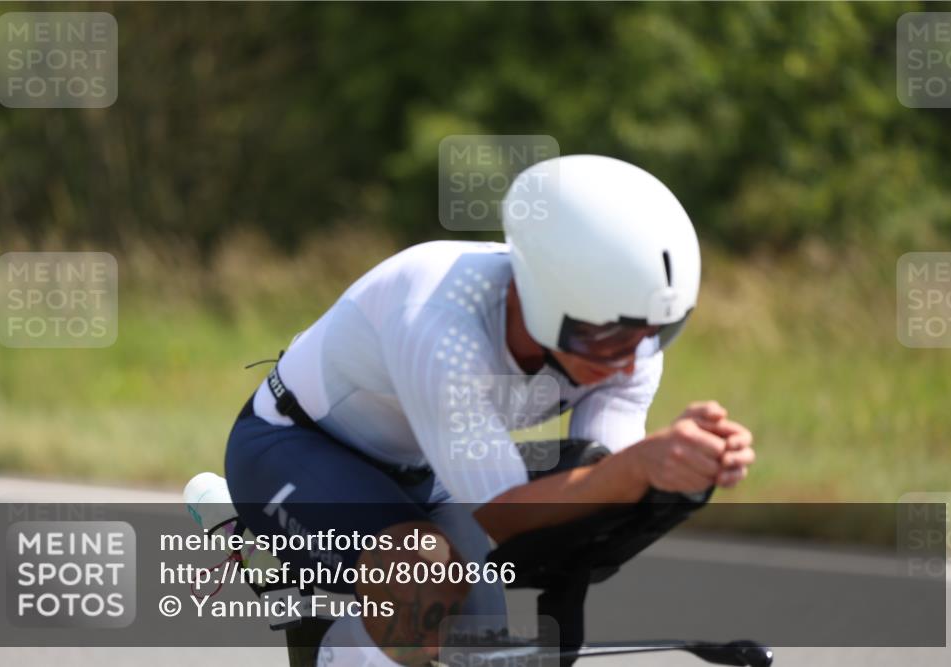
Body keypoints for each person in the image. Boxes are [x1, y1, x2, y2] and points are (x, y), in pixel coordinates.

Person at [224, 154, 755, 666]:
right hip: (294, 447)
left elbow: (595, 488)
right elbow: (503, 513)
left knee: (480, 650)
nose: (629, 360)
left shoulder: (628, 344)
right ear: (544, 295)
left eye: (657, 333)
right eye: (610, 336)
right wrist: (632, 470)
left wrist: (679, 474)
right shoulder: (439, 323)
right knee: (424, 584)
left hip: (429, 467)